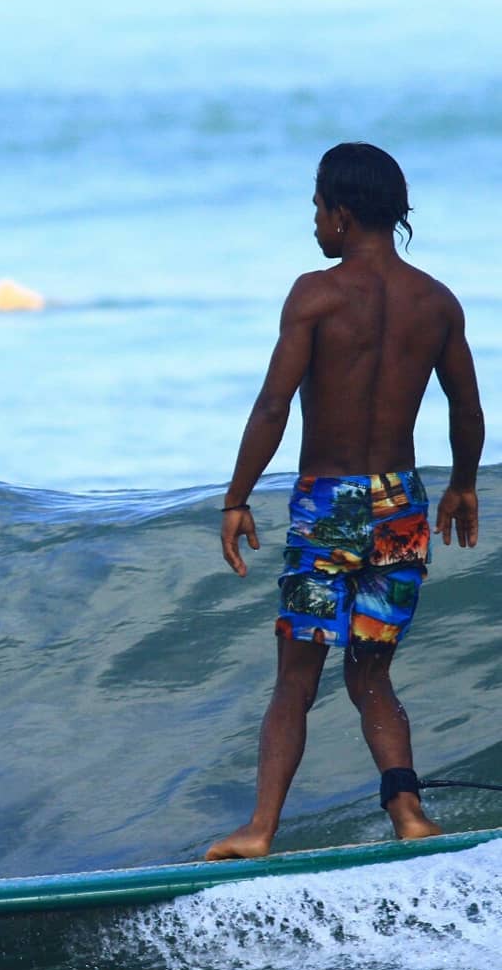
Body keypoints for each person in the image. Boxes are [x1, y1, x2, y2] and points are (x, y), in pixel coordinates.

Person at [205, 142, 484, 862]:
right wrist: (462, 483)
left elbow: (273, 406)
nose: (316, 225)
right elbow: (467, 407)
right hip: (400, 502)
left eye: (317, 210)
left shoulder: (316, 293)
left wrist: (237, 497)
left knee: (296, 676)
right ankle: (409, 813)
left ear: (342, 212)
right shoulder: (437, 301)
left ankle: (260, 829)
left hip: (329, 504)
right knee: (371, 673)